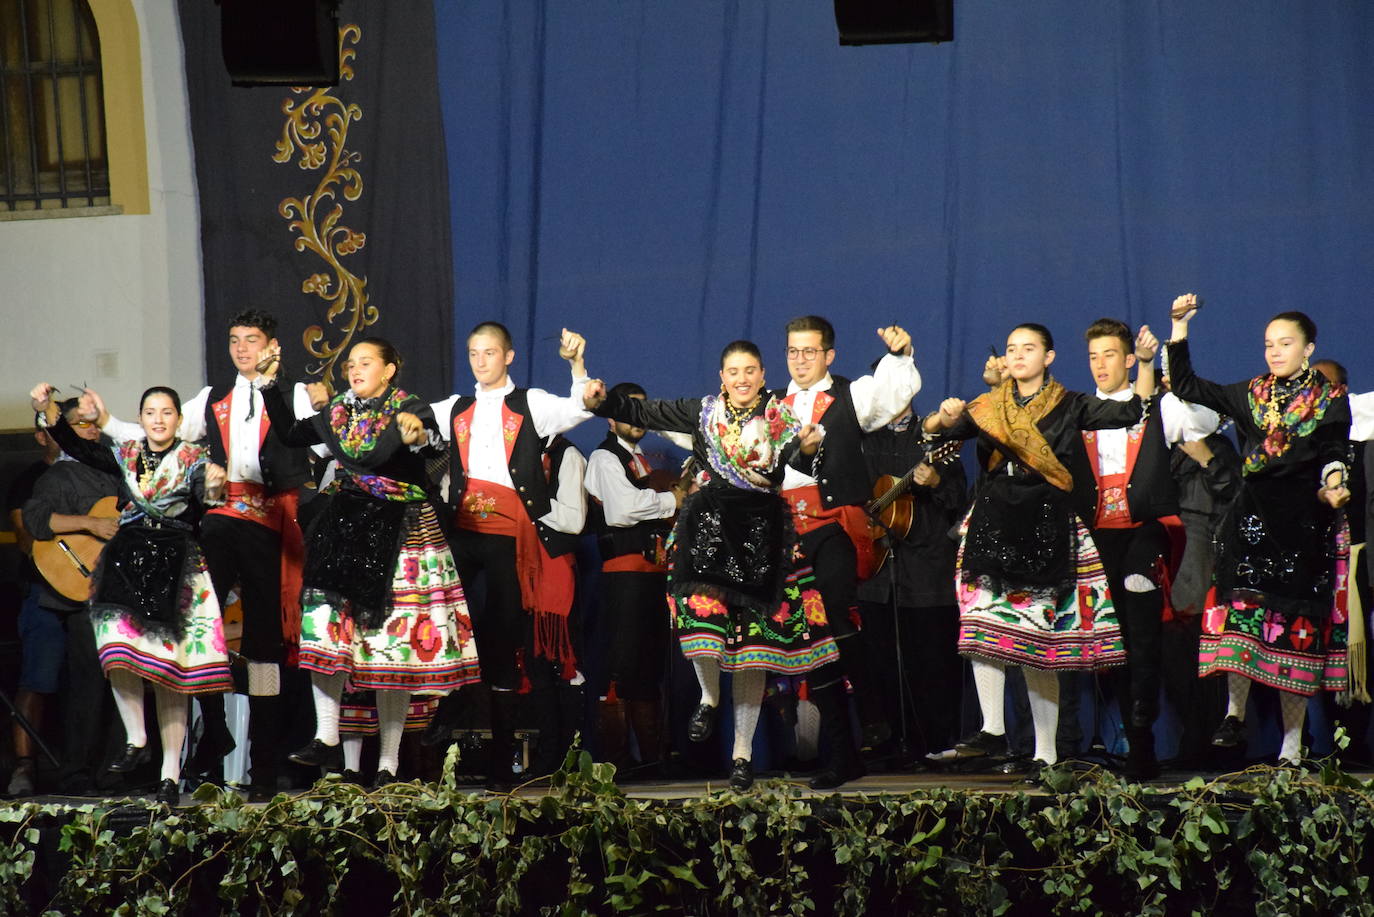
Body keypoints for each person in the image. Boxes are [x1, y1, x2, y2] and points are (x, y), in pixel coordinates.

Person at [588, 340, 837, 791]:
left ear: (763, 375)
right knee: (700, 620)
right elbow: (645, 411)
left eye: (750, 371)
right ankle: (708, 696)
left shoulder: (781, 419)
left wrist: (806, 449)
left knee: (753, 650)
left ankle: (742, 756)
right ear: (722, 377)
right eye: (733, 372)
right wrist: (601, 399)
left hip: (762, 538)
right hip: (709, 531)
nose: (742, 379)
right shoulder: (702, 412)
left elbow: (795, 465)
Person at [98, 309, 320, 791]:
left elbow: (322, 451)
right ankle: (215, 728)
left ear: (272, 346)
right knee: (196, 627)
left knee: (264, 649)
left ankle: (264, 766)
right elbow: (158, 435)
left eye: (252, 340)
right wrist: (107, 422)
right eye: (235, 339)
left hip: (270, 526)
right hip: (220, 521)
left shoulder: (296, 394)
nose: (241, 349)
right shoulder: (211, 397)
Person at [258, 337, 482, 787]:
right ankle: (326, 735)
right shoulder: (338, 412)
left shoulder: (409, 408)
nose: (355, 370)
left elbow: (427, 443)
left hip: (400, 530)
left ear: (389, 369)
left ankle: (388, 764)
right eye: (350, 364)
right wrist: (269, 386)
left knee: (388, 648)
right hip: (346, 528)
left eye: (366, 362)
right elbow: (291, 434)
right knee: (324, 626)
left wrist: (418, 436)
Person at [923, 323, 1141, 782]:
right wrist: (941, 417)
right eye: (1011, 349)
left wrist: (1141, 364)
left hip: (1044, 522)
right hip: (994, 519)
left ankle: (1046, 755)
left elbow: (1127, 411)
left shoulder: (1071, 403)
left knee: (1037, 644)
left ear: (1049, 357)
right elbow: (936, 432)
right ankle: (993, 729)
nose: (1018, 355)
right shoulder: (989, 405)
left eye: (1028, 348)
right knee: (981, 622)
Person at [1166, 296, 1352, 766]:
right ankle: (1234, 715)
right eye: (1269, 344)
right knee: (1240, 617)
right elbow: (1187, 385)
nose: (1275, 352)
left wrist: (1334, 483)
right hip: (1251, 521)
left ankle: (1291, 749)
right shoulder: (1251, 393)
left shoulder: (1330, 399)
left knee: (1294, 634)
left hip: (1303, 525)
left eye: (1285, 343)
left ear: (1308, 348)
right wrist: (1180, 329)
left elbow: (1334, 451)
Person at [29, 381, 233, 806]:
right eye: (150, 412)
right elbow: (75, 445)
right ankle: (136, 736)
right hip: (128, 561)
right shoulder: (126, 454)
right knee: (115, 647)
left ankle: (169, 775)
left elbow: (206, 499)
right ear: (140, 419)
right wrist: (47, 409)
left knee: (169, 675)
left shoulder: (194, 459)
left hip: (175, 564)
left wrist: (214, 488)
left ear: (179, 419)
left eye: (166, 412)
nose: (158, 420)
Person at [421, 323, 598, 788]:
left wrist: (577, 365)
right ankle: (440, 718)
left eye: (490, 353)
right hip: (463, 533)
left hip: (508, 537)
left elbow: (579, 407)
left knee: (500, 643)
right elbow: (407, 420)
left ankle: (501, 764)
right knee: (445, 626)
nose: (481, 362)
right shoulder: (454, 408)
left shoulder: (530, 403)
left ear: (509, 356)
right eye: (474, 353)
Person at [775, 317, 920, 788]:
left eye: (809, 351)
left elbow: (891, 395)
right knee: (809, 638)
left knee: (834, 615)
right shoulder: (772, 407)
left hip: (834, 525)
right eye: (793, 351)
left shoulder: (849, 395)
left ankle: (873, 713)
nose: (800, 360)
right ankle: (843, 753)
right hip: (787, 532)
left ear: (829, 355)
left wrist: (899, 355)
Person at [1078, 318, 1220, 778]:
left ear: (1127, 359)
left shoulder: (1158, 407)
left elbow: (1207, 421)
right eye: (1093, 356)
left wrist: (1171, 387)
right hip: (1096, 536)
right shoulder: (1079, 411)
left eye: (1109, 355)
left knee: (1140, 622)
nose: (1100, 365)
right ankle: (1135, 742)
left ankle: (1142, 734)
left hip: (1144, 529)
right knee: (1115, 638)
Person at [7, 401, 119, 795]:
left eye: (94, 423)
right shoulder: (58, 475)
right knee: (82, 682)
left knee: (120, 682)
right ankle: (77, 773)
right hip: (76, 591)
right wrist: (91, 523)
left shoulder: (115, 470)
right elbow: (36, 520)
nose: (91, 429)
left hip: (117, 592)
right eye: (81, 424)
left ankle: (114, 771)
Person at [856, 403, 968, 765]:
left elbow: (960, 502)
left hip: (926, 568)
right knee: (880, 660)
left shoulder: (936, 439)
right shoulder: (865, 440)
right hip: (876, 570)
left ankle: (938, 743)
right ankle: (889, 741)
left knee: (932, 660)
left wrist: (937, 483)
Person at [584, 382, 683, 777]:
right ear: (611, 417)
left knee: (648, 668)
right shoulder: (604, 457)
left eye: (641, 411)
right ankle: (618, 763)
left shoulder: (639, 459)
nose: (635, 419)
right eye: (627, 410)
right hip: (623, 575)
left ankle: (653, 762)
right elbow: (622, 511)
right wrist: (674, 499)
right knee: (623, 667)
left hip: (652, 575)